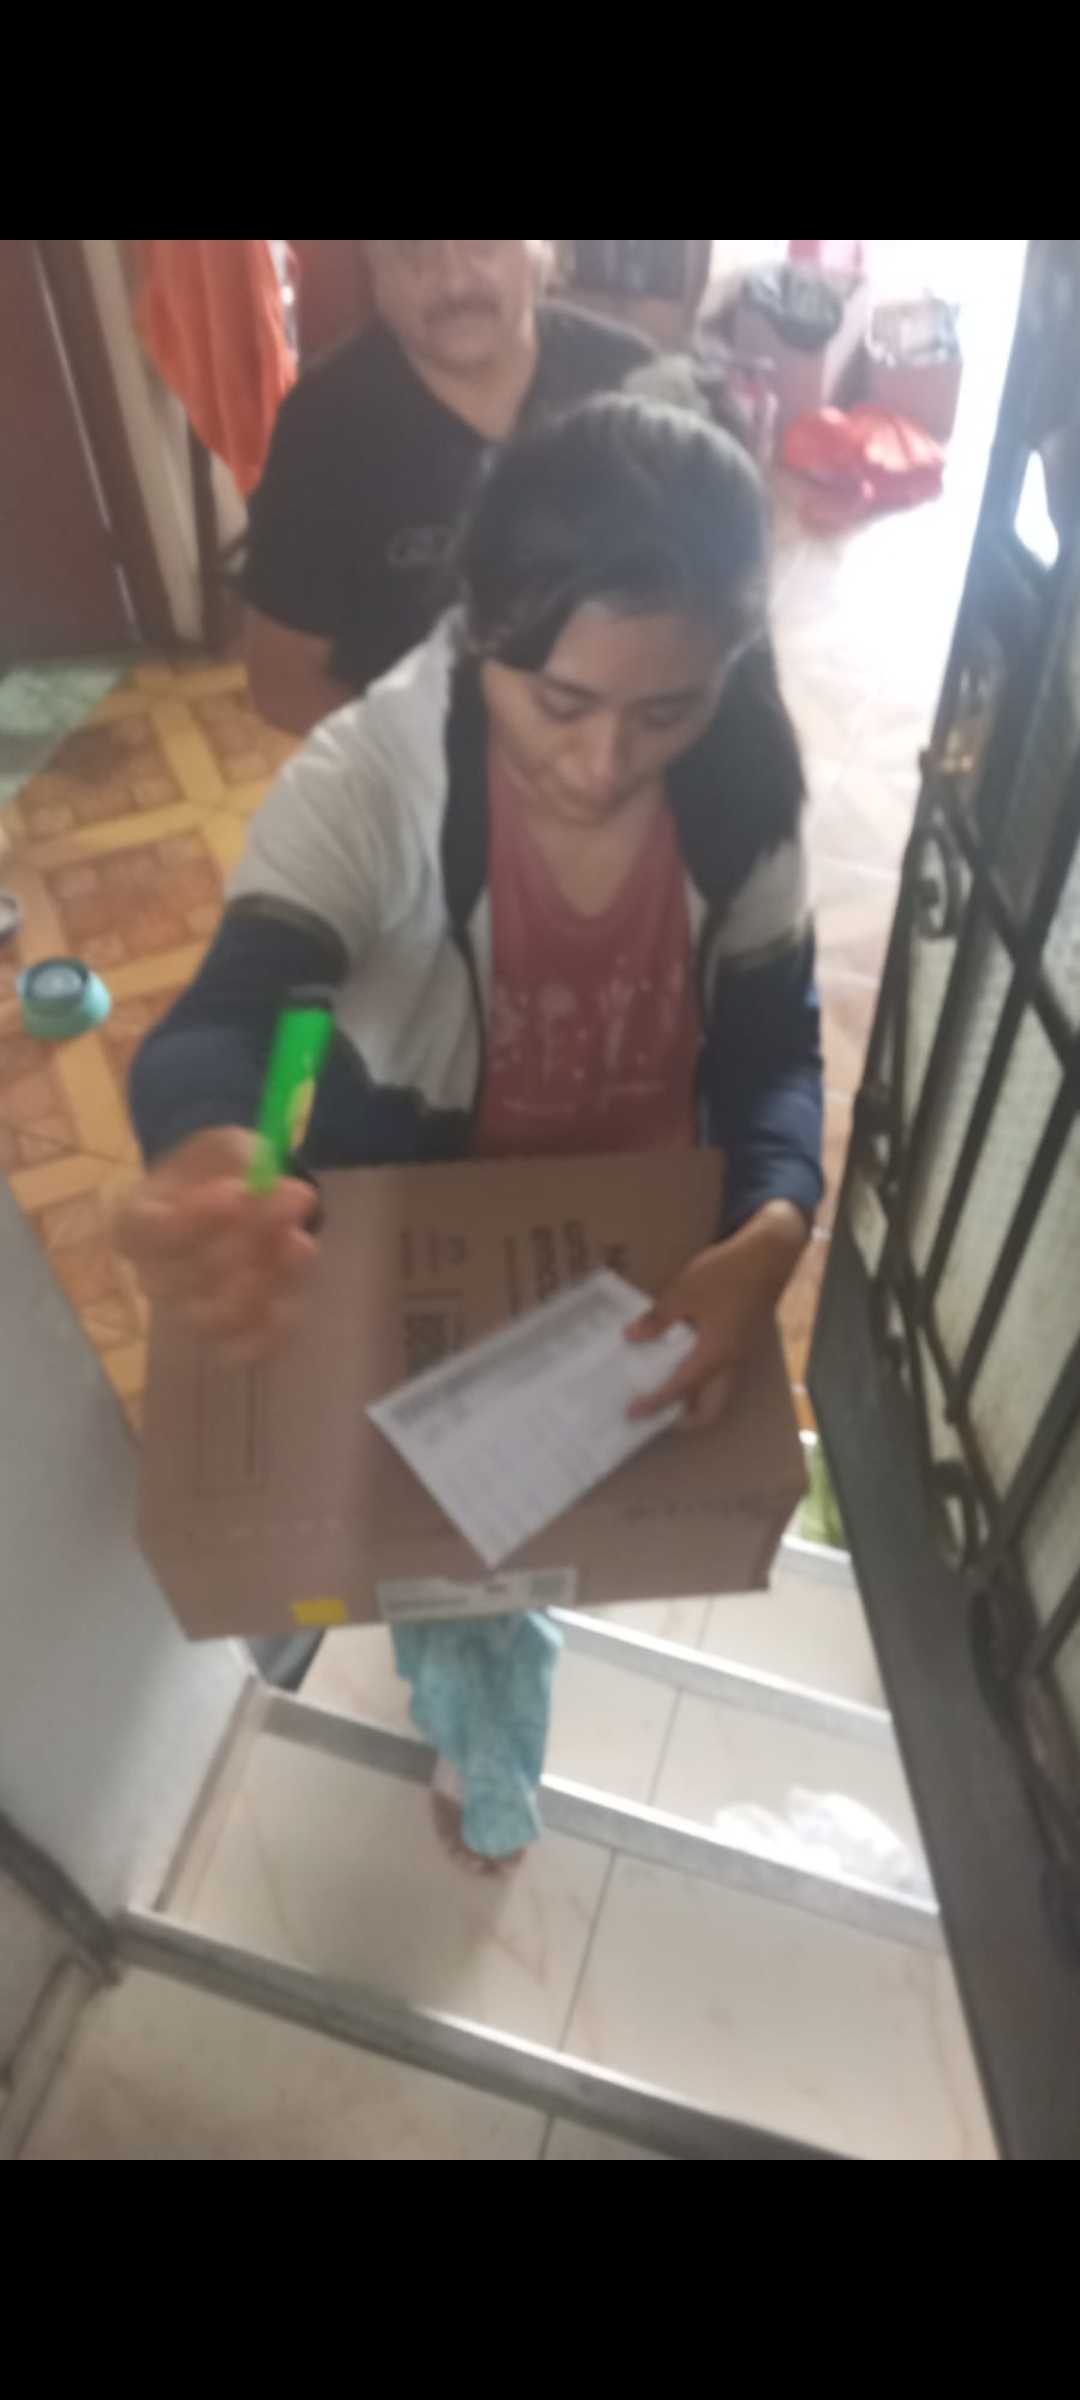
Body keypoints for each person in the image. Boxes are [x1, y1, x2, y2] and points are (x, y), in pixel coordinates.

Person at [120, 394, 823, 1867]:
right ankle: (463, 1737)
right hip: (418, 1225)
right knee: (426, 1545)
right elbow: (251, 1012)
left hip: (622, 1246)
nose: (604, 763)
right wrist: (221, 1145)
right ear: (481, 630)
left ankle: (484, 1733)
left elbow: (773, 1052)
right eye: (559, 702)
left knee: (522, 1547)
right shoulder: (376, 778)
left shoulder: (744, 789)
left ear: (728, 669)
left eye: (666, 711)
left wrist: (768, 1227)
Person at [244, 239, 654, 735]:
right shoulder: (322, 424)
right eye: (413, 253)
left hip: (628, 749)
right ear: (375, 272)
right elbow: (281, 679)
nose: (455, 283)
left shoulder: (634, 384)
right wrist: (435, 762)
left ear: (539, 254)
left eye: (482, 246)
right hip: (416, 764)